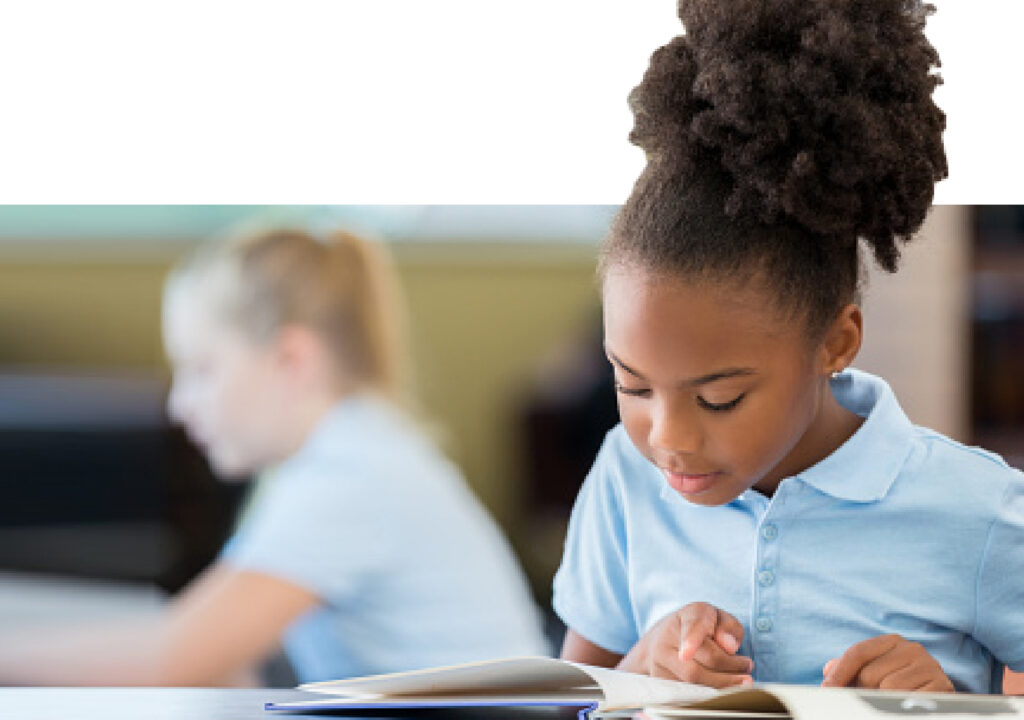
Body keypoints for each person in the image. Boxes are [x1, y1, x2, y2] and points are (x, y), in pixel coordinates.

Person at [553, 0, 1024, 696]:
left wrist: (958, 707)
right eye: (633, 385)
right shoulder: (626, 479)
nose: (669, 439)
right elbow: (568, 697)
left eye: (720, 398)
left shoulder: (977, 508)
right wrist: (640, 666)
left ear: (836, 342)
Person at [0, 227, 549, 685]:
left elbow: (174, 657)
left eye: (201, 370)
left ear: (290, 359)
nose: (179, 404)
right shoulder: (348, 451)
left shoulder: (349, 477)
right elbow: (220, 649)